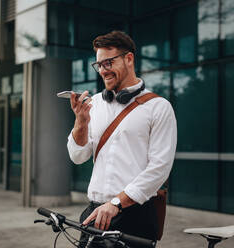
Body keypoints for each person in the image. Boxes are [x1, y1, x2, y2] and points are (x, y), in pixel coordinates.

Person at [67, 30, 177, 247]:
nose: (103, 71)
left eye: (108, 63)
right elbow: (77, 156)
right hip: (96, 212)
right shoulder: (95, 104)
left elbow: (160, 168)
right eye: (99, 65)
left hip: (135, 214)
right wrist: (80, 122)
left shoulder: (158, 107)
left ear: (129, 59)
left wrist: (116, 203)